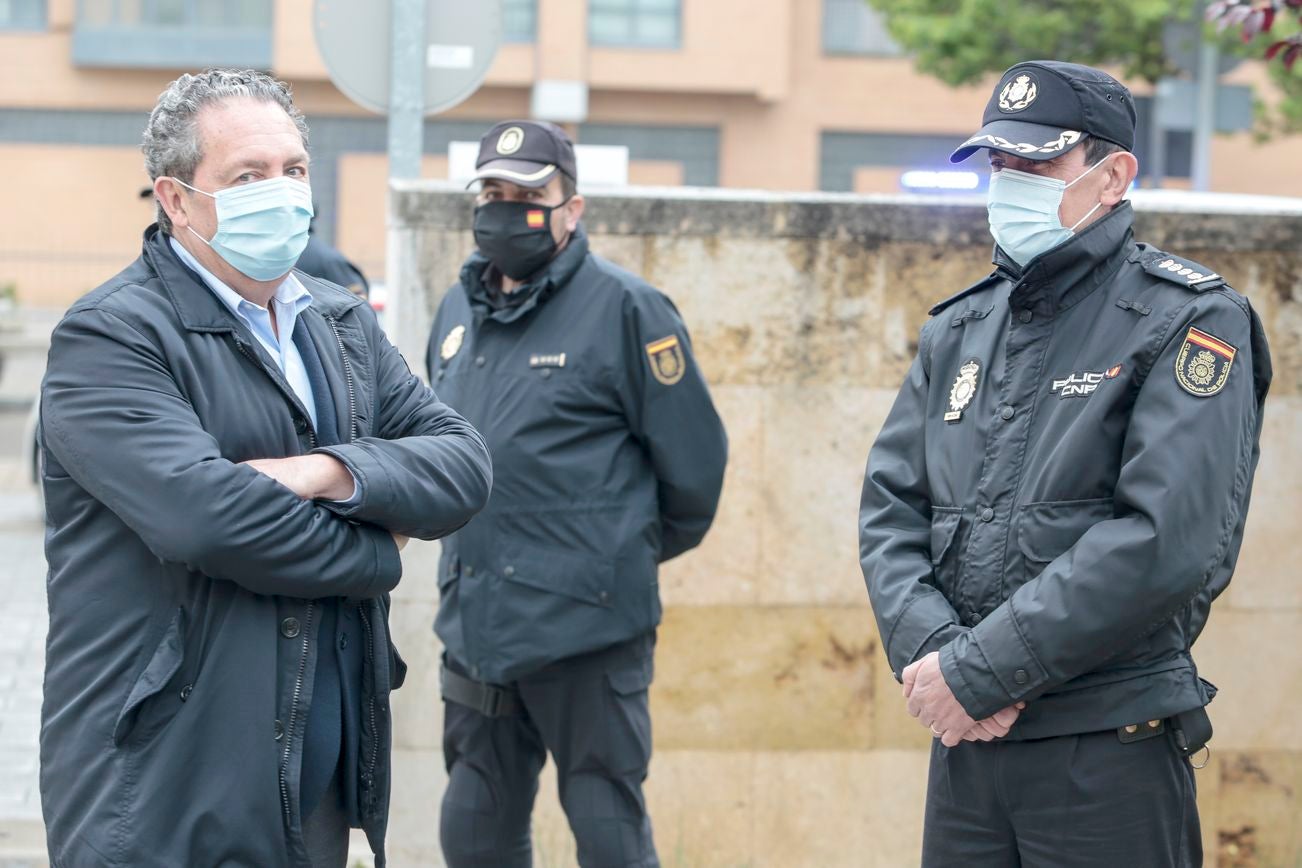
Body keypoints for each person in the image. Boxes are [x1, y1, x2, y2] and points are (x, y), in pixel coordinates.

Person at [39, 68, 492, 868]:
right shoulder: (110, 339)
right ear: (175, 200)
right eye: (247, 176)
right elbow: (207, 519)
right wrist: (380, 551)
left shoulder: (341, 320)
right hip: (165, 783)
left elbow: (462, 465)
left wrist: (323, 471)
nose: (280, 194)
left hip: (311, 779)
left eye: (293, 170)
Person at [858, 60, 1271, 866]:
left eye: (1037, 160)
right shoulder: (960, 329)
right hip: (969, 749)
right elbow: (890, 510)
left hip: (1104, 750)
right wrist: (937, 657)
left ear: (1113, 175)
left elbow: (1167, 540)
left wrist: (981, 674)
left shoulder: (1189, 318)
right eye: (999, 161)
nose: (1009, 180)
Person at [425, 120, 728, 867]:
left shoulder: (628, 310)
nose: (506, 208)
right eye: (493, 192)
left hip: (588, 633)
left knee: (607, 831)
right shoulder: (458, 311)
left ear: (573, 207)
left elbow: (694, 470)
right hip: (477, 628)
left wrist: (610, 557)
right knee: (472, 832)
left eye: (529, 194)